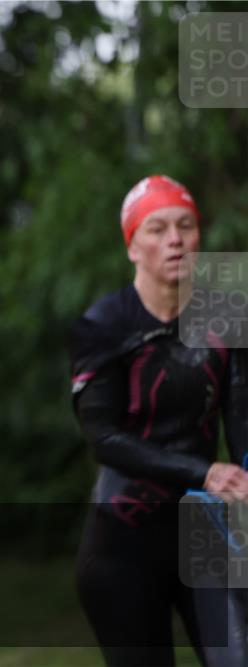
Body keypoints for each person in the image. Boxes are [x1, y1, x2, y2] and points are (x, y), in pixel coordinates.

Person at [69, 175, 248, 666]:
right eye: (157, 228)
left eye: (185, 226)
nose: (175, 239)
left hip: (205, 532)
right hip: (124, 540)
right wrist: (206, 472)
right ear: (132, 246)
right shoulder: (104, 324)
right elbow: (104, 438)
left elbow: (239, 415)